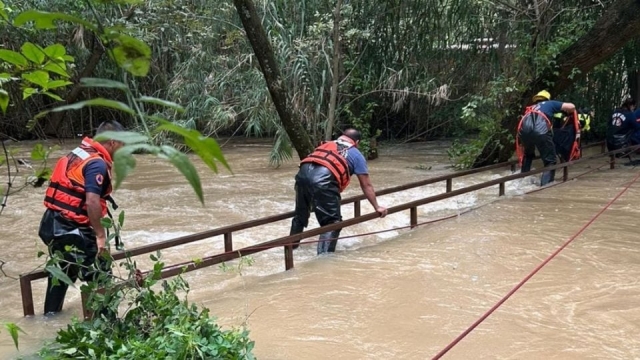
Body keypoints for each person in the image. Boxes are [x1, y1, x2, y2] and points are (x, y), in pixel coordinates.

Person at [38, 120, 124, 315]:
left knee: (61, 273)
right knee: (100, 274)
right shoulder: (97, 164)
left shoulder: (79, 153)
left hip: (52, 225)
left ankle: (49, 319)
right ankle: (107, 324)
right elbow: (92, 201)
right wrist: (101, 235)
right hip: (73, 230)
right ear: (112, 141)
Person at [289, 128, 388, 255]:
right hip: (323, 182)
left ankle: (291, 249)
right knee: (332, 223)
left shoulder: (326, 145)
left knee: (300, 215)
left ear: (342, 137)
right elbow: (366, 185)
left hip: (301, 177)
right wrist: (377, 207)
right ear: (356, 142)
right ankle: (323, 259)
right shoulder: (356, 154)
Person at [516, 90, 575, 186]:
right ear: (547, 98)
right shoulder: (550, 103)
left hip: (524, 132)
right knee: (550, 161)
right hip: (540, 130)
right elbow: (571, 106)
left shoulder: (532, 107)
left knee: (528, 155)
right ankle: (545, 186)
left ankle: (522, 180)